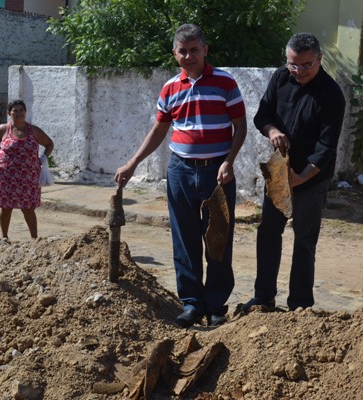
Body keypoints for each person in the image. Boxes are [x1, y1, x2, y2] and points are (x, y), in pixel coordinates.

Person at [114, 23, 247, 328]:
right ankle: (191, 304)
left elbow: (240, 127)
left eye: (194, 50)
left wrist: (229, 162)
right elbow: (159, 129)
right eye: (182, 51)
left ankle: (215, 306)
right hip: (180, 171)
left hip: (218, 173)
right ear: (174, 53)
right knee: (184, 240)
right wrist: (133, 162)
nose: (189, 56)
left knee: (218, 239)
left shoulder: (225, 82)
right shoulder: (170, 88)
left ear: (205, 50)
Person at [244, 32, 345, 312]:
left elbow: (326, 147)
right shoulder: (280, 77)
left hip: (312, 177)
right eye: (293, 64)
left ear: (319, 59)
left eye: (306, 65)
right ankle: (263, 297)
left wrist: (300, 178)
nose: (298, 71)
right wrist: (272, 131)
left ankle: (300, 305)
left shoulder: (332, 94)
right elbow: (262, 115)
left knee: (304, 241)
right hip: (280, 172)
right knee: (268, 234)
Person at [0, 99, 54, 240]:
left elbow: (49, 144)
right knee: (6, 208)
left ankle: (35, 239)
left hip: (28, 177)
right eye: (15, 110)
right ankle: (4, 237)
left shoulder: (34, 131)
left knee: (28, 208)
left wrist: (43, 158)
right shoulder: (4, 129)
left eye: (21, 110)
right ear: (9, 113)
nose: (19, 113)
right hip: (5, 176)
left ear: (25, 112)